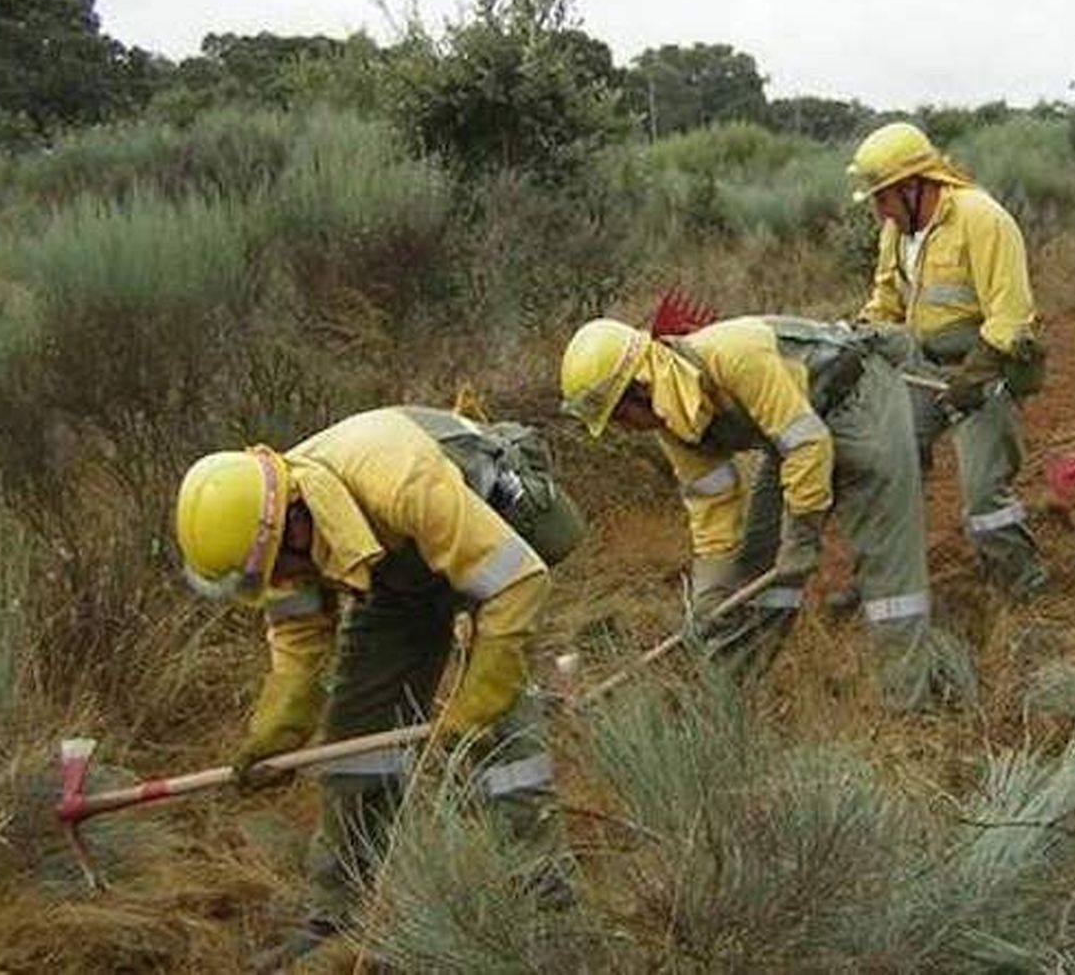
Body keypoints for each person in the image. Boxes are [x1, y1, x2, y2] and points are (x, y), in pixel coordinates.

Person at [174, 406, 585, 963]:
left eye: (279, 568)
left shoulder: (400, 480)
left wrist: (477, 703)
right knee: (358, 739)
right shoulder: (273, 535)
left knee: (500, 741)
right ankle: (336, 908)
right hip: (399, 576)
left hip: (486, 542)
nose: (282, 582)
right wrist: (276, 732)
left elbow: (517, 582)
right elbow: (298, 640)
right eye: (267, 579)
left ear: (294, 516)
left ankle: (549, 905)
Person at [560, 314, 935, 707]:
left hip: (859, 403)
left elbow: (809, 446)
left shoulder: (735, 355)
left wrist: (802, 535)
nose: (625, 429)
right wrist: (710, 594)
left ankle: (908, 705)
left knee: (889, 569)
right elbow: (712, 507)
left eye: (618, 417)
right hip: (793, 434)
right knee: (755, 566)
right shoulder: (673, 423)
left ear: (639, 387)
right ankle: (723, 702)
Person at [846, 121, 1048, 600]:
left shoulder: (983, 219)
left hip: (985, 368)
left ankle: (1023, 583)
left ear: (915, 186)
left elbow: (1012, 314)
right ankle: (882, 575)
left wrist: (974, 377)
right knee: (889, 467)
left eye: (883, 197)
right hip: (922, 368)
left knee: (983, 498)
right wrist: (863, 329)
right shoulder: (896, 232)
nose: (878, 210)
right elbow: (887, 301)